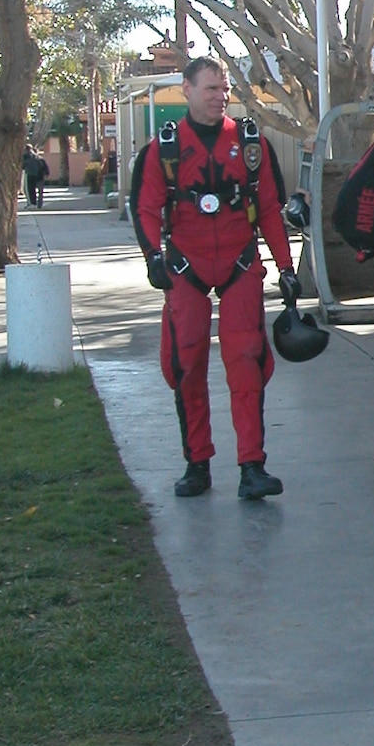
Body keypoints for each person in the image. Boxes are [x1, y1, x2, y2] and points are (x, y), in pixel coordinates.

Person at [131, 56, 298, 501]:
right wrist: (153, 258)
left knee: (246, 362)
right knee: (186, 364)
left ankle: (252, 466)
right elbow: (145, 208)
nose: (219, 97)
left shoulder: (250, 143)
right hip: (185, 267)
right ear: (186, 90)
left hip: (240, 264)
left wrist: (285, 268)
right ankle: (197, 463)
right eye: (210, 89)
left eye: (224, 90)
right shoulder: (162, 149)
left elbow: (268, 210)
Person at [22, 142, 49, 208]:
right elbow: (44, 166)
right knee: (39, 191)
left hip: (30, 174)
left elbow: (23, 165)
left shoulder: (27, 156)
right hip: (39, 176)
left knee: (29, 189)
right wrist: (46, 173)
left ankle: (32, 203)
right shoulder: (38, 157)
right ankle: (38, 204)